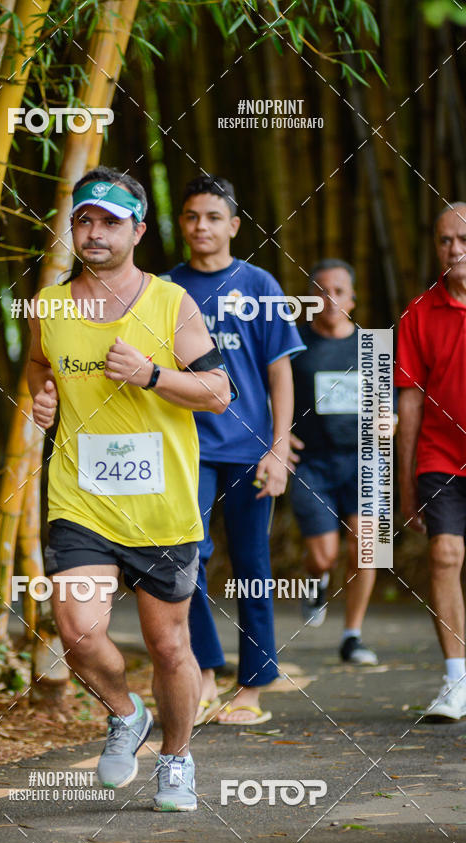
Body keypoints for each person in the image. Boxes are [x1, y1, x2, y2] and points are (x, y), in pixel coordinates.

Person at [27, 165, 232, 810]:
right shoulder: (51, 305)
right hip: (80, 499)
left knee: (170, 645)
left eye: (110, 222)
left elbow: (219, 394)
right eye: (84, 220)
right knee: (77, 632)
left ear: (138, 231)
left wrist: (150, 376)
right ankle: (123, 712)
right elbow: (39, 363)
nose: (94, 233)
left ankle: (177, 762)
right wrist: (40, 396)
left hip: (162, 507)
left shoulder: (171, 303)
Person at [166, 175, 305, 726]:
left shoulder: (260, 284)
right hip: (184, 448)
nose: (202, 226)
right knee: (185, 559)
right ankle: (202, 671)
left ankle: (251, 686)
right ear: (182, 223)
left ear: (234, 225)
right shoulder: (164, 289)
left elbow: (280, 375)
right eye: (193, 216)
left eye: (213, 217)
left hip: (249, 448)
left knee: (252, 564)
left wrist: (277, 451)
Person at [288, 259, 378, 665]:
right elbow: (274, 396)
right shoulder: (294, 345)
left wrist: (388, 418)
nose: (330, 299)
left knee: (368, 549)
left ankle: (352, 635)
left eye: (339, 291)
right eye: (321, 291)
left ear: (353, 299)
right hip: (313, 465)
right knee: (323, 554)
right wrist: (279, 434)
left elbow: (387, 400)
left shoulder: (372, 346)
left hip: (364, 460)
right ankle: (316, 580)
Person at [396, 202, 466, 721]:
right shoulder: (418, 313)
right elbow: (410, 401)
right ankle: (456, 681)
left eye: (463, 239)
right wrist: (406, 485)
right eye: (445, 240)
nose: (455, 250)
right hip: (441, 455)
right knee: (443, 555)